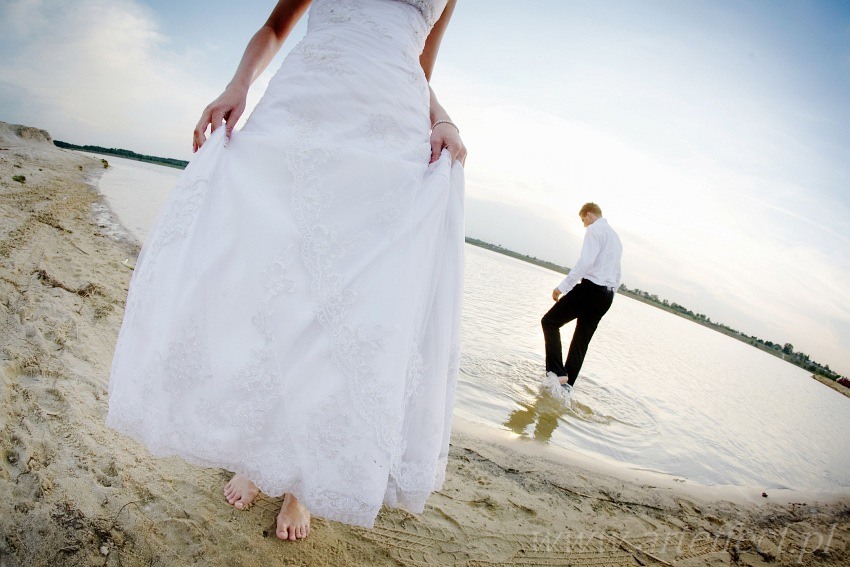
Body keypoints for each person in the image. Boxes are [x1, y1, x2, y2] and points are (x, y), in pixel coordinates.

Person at [106, 0, 466, 540]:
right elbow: (277, 26)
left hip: (389, 126)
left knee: (351, 302)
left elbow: (419, 67)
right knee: (272, 276)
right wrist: (238, 86)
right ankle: (257, 452)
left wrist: (441, 118)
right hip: (306, 105)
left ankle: (303, 481)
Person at [541, 202, 622, 398]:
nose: (584, 225)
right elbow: (617, 272)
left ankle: (558, 372)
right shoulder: (616, 238)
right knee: (581, 341)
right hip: (607, 295)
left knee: (549, 322)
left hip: (591, 289)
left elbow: (585, 262)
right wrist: (609, 294)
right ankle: (566, 387)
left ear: (589, 214)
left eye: (583, 220)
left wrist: (562, 287)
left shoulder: (595, 230)